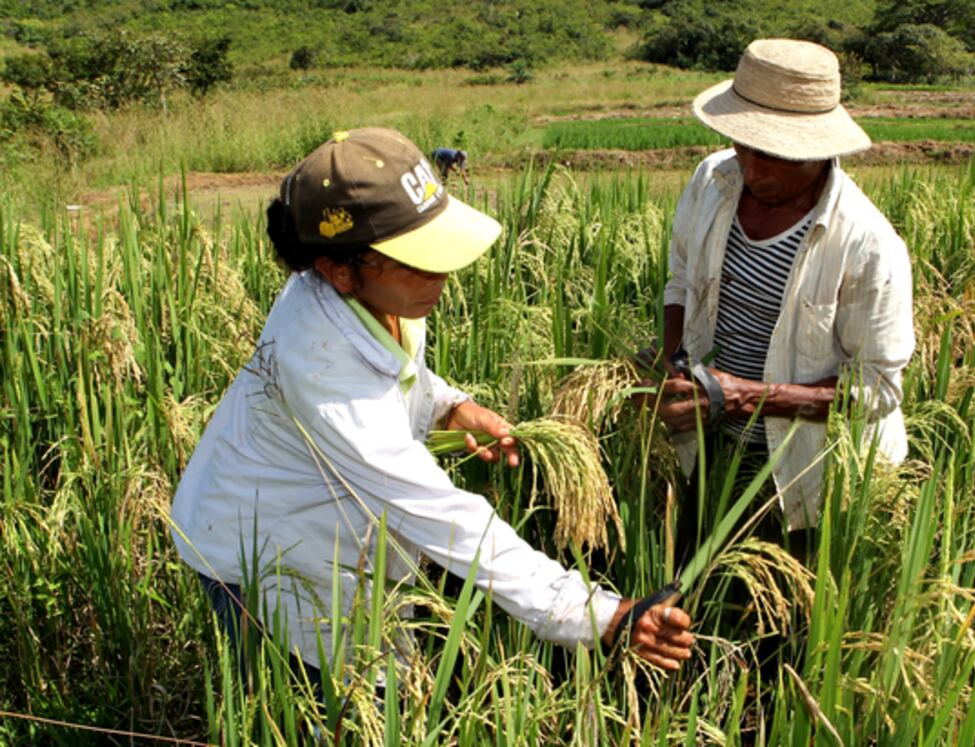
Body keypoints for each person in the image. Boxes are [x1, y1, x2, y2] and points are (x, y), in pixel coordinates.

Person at [170, 128, 693, 693]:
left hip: (337, 536)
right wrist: (598, 615)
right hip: (265, 560)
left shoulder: (378, 294)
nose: (442, 275)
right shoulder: (319, 360)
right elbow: (440, 515)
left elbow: (394, 369)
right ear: (338, 270)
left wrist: (451, 407)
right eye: (419, 262)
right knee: (320, 707)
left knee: (380, 686)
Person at [655, 39, 914, 542]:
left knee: (790, 611)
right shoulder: (713, 180)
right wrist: (670, 358)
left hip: (808, 472)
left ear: (820, 149)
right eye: (744, 146)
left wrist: (743, 397)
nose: (754, 171)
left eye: (774, 155)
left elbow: (878, 390)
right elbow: (681, 278)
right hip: (713, 449)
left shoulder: (866, 245)